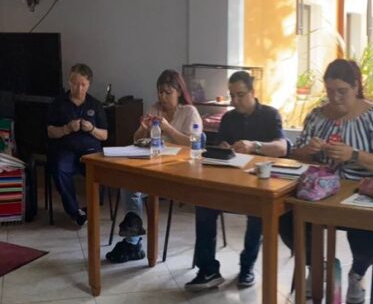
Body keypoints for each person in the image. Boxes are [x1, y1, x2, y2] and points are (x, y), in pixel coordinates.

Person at [280, 59, 373, 304]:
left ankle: (357, 274)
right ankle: (316, 267)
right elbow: (296, 155)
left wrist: (353, 155)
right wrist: (309, 151)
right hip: (320, 191)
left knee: (367, 228)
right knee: (287, 217)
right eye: (330, 91)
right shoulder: (316, 116)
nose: (335, 98)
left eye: (342, 91)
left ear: (356, 86)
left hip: (361, 190)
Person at [185, 71, 287, 291]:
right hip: (230, 179)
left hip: (260, 182)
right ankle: (208, 270)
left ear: (253, 92)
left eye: (240, 95)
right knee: (203, 205)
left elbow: (282, 147)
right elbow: (220, 145)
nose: (236, 101)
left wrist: (254, 146)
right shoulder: (229, 118)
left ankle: (246, 267)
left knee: (258, 214)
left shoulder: (270, 115)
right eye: (232, 96)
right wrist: (223, 148)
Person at [107, 69, 202, 263]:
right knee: (128, 183)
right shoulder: (155, 108)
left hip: (178, 170)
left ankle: (132, 242)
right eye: (160, 92)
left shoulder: (189, 112)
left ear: (178, 92)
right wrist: (143, 128)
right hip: (153, 167)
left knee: (132, 188)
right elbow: (136, 140)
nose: (163, 97)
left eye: (168, 92)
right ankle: (133, 240)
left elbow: (193, 143)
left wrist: (167, 127)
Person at [45, 63, 108, 226]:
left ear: (89, 85)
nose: (78, 88)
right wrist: (66, 129)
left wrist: (92, 129)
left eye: (83, 85)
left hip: (91, 152)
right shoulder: (58, 103)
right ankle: (75, 211)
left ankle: (93, 208)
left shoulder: (95, 105)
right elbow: (50, 131)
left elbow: (105, 135)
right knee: (59, 170)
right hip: (67, 150)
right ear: (69, 82)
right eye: (74, 83)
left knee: (102, 172)